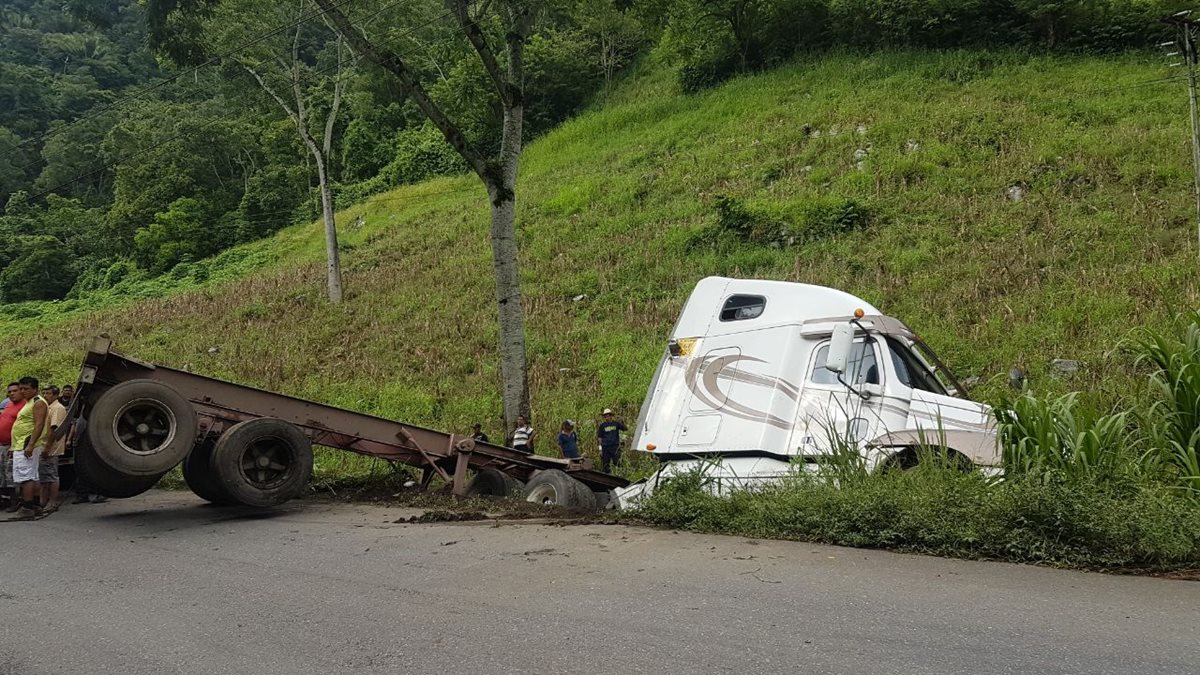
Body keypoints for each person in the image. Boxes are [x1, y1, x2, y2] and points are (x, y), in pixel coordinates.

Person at [9, 376, 47, 518]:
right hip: (21, 443)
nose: (23, 391)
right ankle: (36, 506)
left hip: (27, 444)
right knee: (32, 475)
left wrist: (30, 444)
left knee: (26, 477)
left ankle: (27, 507)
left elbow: (39, 424)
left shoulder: (38, 403)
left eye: (26, 389)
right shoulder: (29, 402)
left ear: (35, 389)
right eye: (21, 389)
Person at [39, 385, 66, 513]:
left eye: (48, 393)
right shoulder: (48, 407)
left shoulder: (57, 408)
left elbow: (54, 429)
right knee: (44, 477)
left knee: (52, 476)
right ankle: (43, 502)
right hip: (43, 445)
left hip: (51, 448)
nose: (45, 395)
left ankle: (52, 502)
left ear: (55, 395)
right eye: (44, 393)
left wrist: (47, 447)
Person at [0, 383, 24, 510]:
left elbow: (22, 429)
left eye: (15, 391)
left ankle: (15, 503)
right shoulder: (8, 405)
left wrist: (14, 446)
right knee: (3, 475)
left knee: (11, 476)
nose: (12, 393)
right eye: (10, 391)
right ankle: (5, 501)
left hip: (12, 446)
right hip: (2, 445)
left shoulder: (24, 406)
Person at [597, 408, 627, 473]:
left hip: (615, 447)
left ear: (611, 416)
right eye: (605, 416)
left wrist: (622, 422)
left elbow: (625, 429)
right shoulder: (602, 426)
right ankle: (607, 477)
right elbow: (600, 437)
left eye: (608, 415)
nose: (606, 417)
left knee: (618, 463)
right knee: (605, 464)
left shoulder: (616, 424)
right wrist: (600, 449)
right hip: (605, 447)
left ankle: (620, 475)